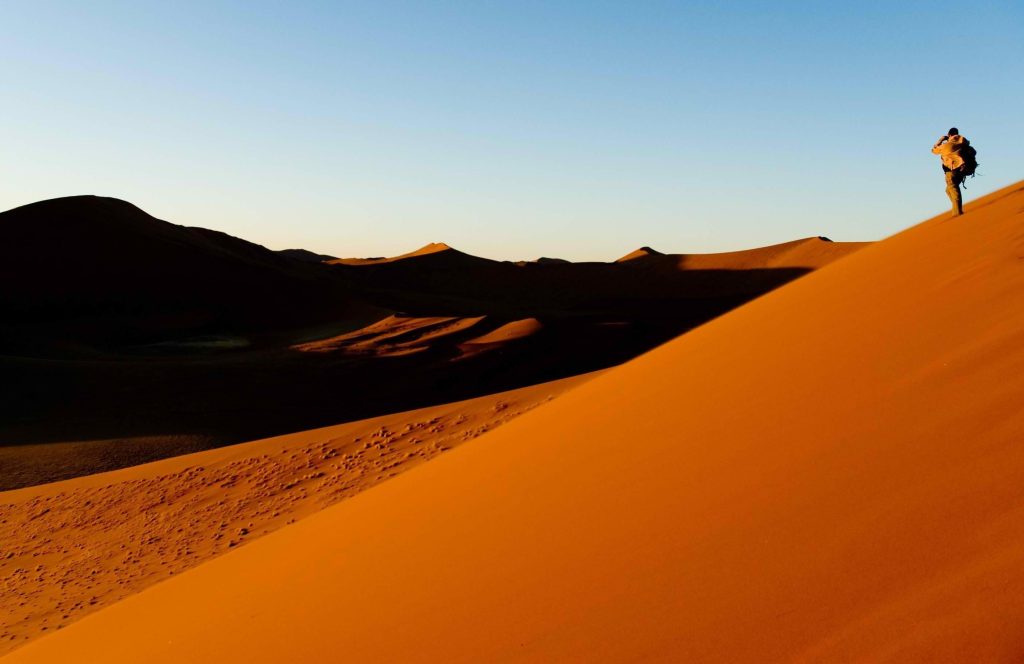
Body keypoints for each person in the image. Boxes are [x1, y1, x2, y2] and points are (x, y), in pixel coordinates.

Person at [931, 127, 968, 216]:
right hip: (961, 170)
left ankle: (957, 212)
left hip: (951, 171)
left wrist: (941, 139)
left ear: (949, 135)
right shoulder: (962, 141)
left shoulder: (946, 145)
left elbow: (934, 150)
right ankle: (957, 208)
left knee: (953, 188)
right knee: (948, 190)